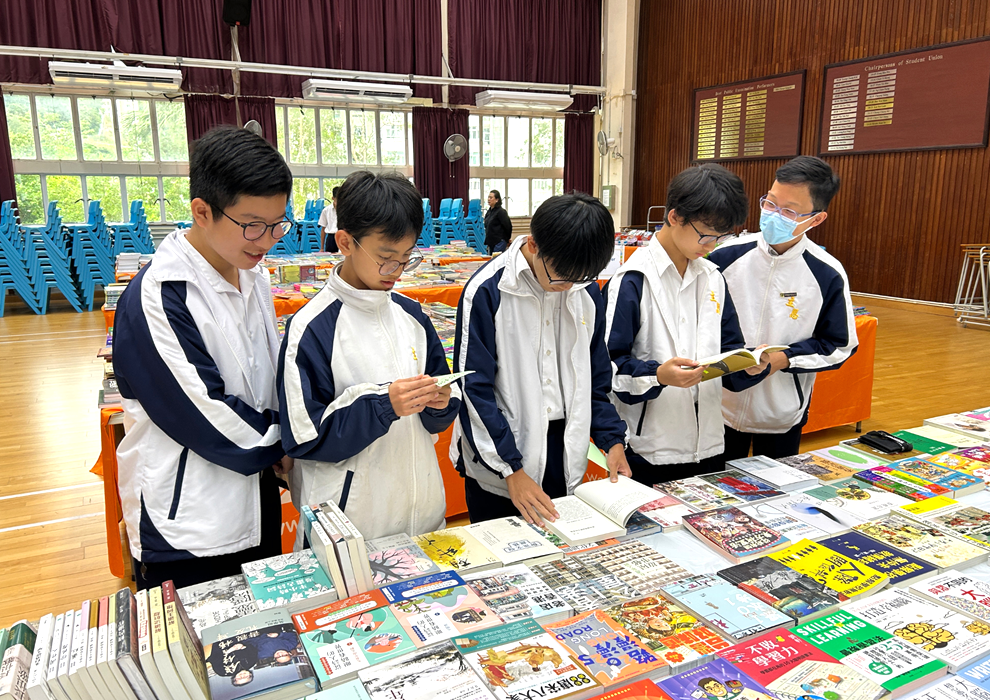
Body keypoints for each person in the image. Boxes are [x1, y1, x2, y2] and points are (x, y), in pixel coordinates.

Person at [113, 126, 294, 589]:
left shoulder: (253, 276)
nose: (266, 240)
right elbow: (206, 414)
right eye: (252, 224)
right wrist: (296, 441)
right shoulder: (161, 295)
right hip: (188, 526)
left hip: (255, 498)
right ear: (202, 211)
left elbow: (266, 374)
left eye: (277, 224)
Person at [278, 171, 460, 543]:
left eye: (407, 258)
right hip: (348, 534)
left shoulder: (412, 316)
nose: (397, 271)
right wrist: (383, 404)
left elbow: (437, 411)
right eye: (386, 258)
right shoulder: (311, 328)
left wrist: (441, 403)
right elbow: (304, 438)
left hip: (422, 519)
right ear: (345, 242)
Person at [454, 192, 631, 526]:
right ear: (533, 245)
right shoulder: (488, 291)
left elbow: (596, 378)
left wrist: (612, 440)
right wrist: (511, 470)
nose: (569, 287)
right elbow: (473, 390)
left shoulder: (584, 290)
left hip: (563, 452)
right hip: (502, 454)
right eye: (561, 276)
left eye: (581, 278)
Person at [604, 164, 769, 485]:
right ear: (675, 216)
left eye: (721, 237)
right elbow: (608, 370)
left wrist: (748, 365)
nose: (711, 245)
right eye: (706, 234)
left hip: (709, 443)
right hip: (649, 449)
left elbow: (728, 351)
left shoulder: (713, 278)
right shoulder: (632, 280)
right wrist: (658, 375)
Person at [708, 156, 857, 460]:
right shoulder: (725, 256)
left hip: (781, 414)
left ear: (816, 219)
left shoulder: (827, 273)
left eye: (789, 211)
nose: (774, 215)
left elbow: (839, 345)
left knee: (775, 486)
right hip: (718, 407)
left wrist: (784, 359)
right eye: (770, 203)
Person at [484, 190, 512, 255]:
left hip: (499, 241)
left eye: (491, 198)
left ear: (497, 200)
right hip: (491, 242)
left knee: (496, 259)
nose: (489, 199)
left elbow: (508, 226)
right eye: (488, 197)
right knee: (491, 260)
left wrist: (507, 239)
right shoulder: (489, 212)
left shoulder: (501, 212)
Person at [318, 186, 340, 252]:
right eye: (337, 199)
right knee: (331, 257)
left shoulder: (345, 209)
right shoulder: (326, 210)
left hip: (342, 236)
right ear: (333, 198)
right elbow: (323, 229)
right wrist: (322, 248)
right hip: (331, 238)